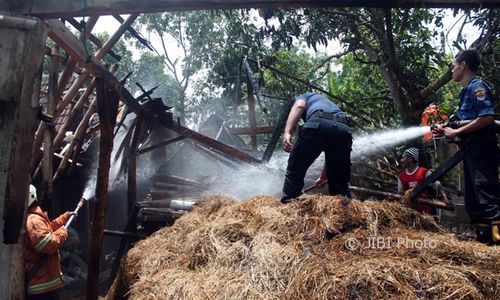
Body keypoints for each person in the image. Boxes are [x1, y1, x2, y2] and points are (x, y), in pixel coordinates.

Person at [432, 49, 500, 245]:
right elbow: (464, 122)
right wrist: (447, 129)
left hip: (482, 152)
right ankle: (485, 244)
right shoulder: (466, 91)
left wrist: (457, 133)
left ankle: (497, 244)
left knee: (487, 198)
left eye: (454, 66)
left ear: (463, 66)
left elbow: (487, 117)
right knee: (474, 201)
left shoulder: (477, 88)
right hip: (471, 152)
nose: (452, 71)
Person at [281, 92, 352, 203]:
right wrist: (323, 176)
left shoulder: (304, 96)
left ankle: (289, 205)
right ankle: (344, 211)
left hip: (317, 123)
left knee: (296, 166)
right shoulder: (327, 103)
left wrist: (287, 132)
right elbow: (331, 156)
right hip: (343, 129)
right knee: (339, 179)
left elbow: (299, 106)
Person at [24, 184, 75, 299]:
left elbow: (47, 230)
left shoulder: (34, 217)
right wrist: (62, 232)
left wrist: (64, 218)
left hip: (45, 283)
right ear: (34, 196)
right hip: (42, 287)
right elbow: (48, 244)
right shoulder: (33, 220)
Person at [397, 147, 437, 215]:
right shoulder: (401, 176)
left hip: (426, 212)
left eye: (403, 158)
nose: (401, 160)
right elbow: (400, 194)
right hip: (410, 212)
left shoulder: (424, 172)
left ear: (410, 159)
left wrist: (446, 199)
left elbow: (437, 185)